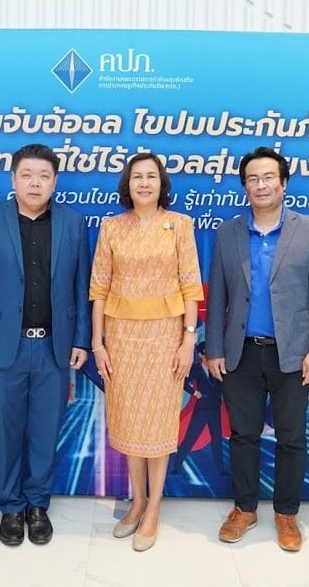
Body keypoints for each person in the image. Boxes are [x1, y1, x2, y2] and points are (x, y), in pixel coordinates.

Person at [205, 146, 309, 552]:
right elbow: (218, 294)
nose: (260, 185)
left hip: (293, 355)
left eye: (268, 177)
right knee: (242, 435)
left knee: (291, 438)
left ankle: (286, 513)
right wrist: (214, 349)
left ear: (283, 183)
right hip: (240, 353)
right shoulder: (228, 232)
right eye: (252, 179)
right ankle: (244, 508)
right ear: (245, 186)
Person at [0, 143, 90, 547]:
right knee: (6, 429)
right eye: (27, 175)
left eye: (44, 176)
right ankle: (11, 506)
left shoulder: (73, 223)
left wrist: (81, 339)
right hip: (3, 347)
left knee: (46, 431)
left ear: (55, 181)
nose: (35, 183)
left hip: (54, 346)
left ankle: (37, 504)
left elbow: (82, 287)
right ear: (13, 178)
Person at [90, 152, 202, 552]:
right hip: (121, 338)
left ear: (161, 183)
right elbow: (99, 288)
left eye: (151, 176)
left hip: (165, 337)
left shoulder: (180, 225)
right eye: (137, 176)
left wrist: (189, 339)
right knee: (129, 419)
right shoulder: (112, 227)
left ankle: (154, 506)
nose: (144, 183)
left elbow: (191, 285)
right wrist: (97, 343)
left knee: (157, 422)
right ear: (128, 184)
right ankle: (137, 502)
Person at [172, 341, 226, 476]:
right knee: (190, 439)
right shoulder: (196, 368)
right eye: (207, 353)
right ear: (201, 355)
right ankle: (176, 467)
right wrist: (194, 392)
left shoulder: (218, 367)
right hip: (201, 409)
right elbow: (183, 381)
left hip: (215, 408)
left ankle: (221, 470)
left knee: (217, 440)